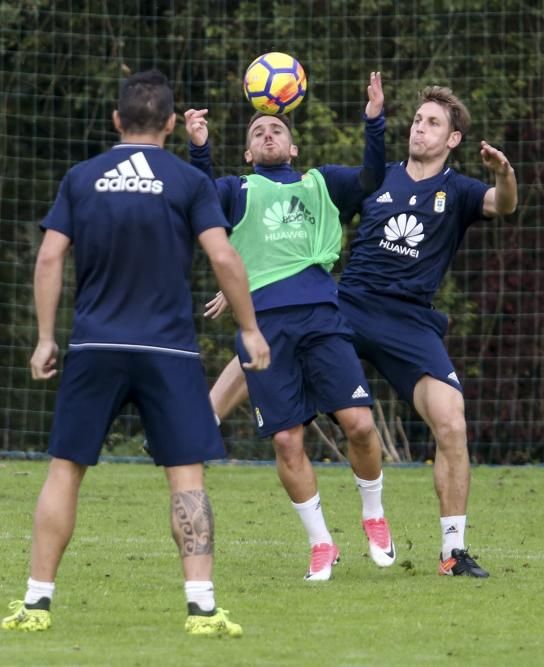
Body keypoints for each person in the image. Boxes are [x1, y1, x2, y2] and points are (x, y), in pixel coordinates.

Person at [207, 85, 518, 578]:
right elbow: (297, 229)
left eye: (433, 122)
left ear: (453, 137)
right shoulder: (378, 179)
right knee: (269, 338)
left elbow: (502, 205)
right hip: (347, 304)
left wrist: (504, 174)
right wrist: (244, 282)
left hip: (410, 321)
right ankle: (202, 420)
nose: (420, 126)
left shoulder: (457, 190)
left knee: (452, 421)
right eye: (417, 118)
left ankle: (453, 553)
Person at [0, 70, 270, 638]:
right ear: (172, 124)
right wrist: (248, 329)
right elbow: (223, 258)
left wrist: (47, 337)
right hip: (168, 350)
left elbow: (50, 259)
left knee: (65, 470)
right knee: (186, 477)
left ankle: (35, 604)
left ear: (117, 121)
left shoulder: (82, 177)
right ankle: (201, 608)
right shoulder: (187, 182)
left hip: (95, 345)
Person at [183, 72, 396, 582]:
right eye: (258, 133)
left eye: (276, 128)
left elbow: (372, 178)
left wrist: (374, 122)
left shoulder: (320, 184)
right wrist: (199, 149)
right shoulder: (237, 191)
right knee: (286, 442)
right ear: (250, 154)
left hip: (322, 319)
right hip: (263, 330)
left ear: (293, 145)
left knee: (361, 425)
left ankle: (373, 513)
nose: (268, 135)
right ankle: (321, 543)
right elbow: (198, 202)